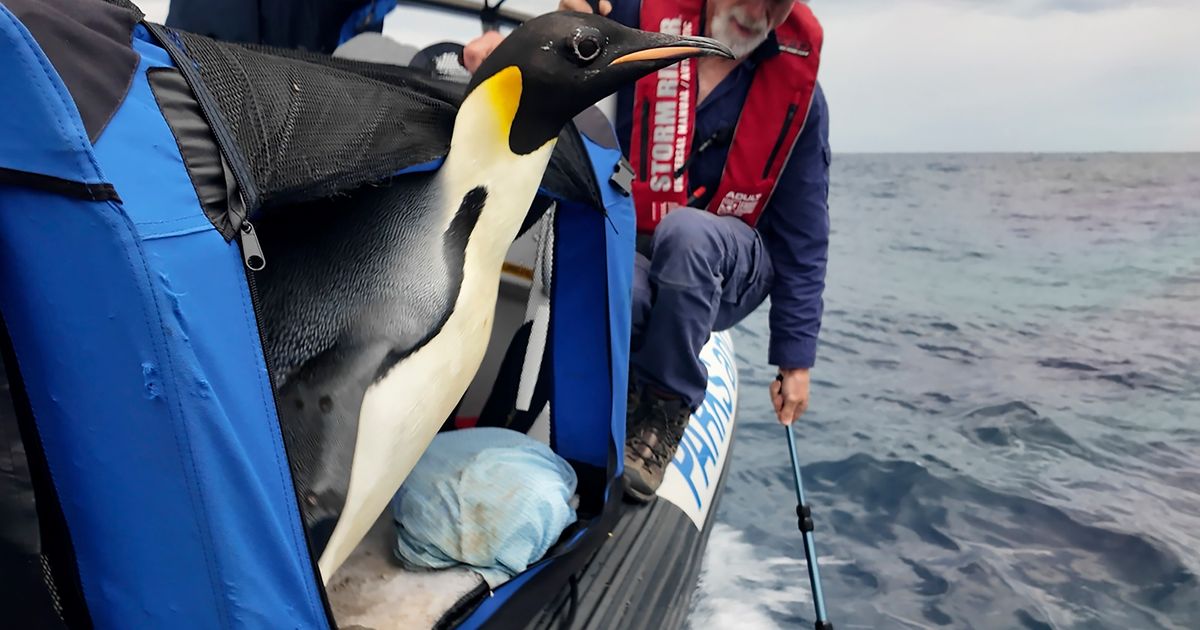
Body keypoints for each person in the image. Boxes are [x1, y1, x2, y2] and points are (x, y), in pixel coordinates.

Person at [464, 0, 830, 503]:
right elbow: (572, 36)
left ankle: (665, 408)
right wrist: (503, 62)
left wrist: (795, 358)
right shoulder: (640, 18)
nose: (759, 10)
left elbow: (805, 229)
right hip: (638, 242)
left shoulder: (800, 91)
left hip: (729, 262)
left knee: (689, 235)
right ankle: (585, 411)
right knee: (619, 287)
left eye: (776, 1)